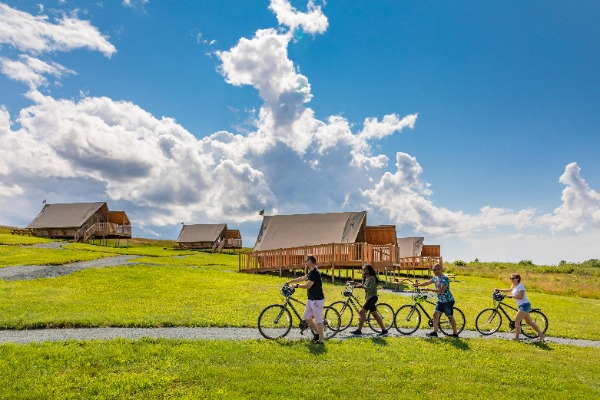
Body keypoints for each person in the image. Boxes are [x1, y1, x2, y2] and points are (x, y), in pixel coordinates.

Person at [285, 255, 325, 344]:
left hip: (317, 300)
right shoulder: (311, 272)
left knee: (318, 320)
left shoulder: (315, 272)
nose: (305, 262)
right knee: (307, 317)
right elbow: (302, 278)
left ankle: (321, 341)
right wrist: (291, 281)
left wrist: (297, 286)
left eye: (306, 261)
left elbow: (307, 285)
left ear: (310, 261)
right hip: (311, 299)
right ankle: (318, 334)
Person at [495, 273, 545, 342]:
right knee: (529, 322)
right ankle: (541, 335)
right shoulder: (514, 286)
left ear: (517, 279)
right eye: (510, 278)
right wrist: (499, 290)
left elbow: (521, 297)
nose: (511, 280)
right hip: (522, 305)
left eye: (513, 278)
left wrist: (512, 296)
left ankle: (517, 337)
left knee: (517, 320)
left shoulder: (520, 286)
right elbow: (508, 290)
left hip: (525, 305)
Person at [413, 263, 458, 338]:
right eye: (433, 270)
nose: (433, 271)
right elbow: (427, 282)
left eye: (434, 270)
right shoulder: (435, 278)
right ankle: (435, 332)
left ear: (440, 270)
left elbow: (441, 291)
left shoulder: (445, 278)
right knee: (435, 314)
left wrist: (429, 289)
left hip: (447, 301)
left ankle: (455, 333)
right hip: (440, 300)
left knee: (450, 317)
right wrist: (418, 285)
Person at [350, 264, 389, 336]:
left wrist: (362, 286)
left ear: (368, 271)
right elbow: (363, 285)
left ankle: (359, 330)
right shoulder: (366, 278)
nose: (363, 270)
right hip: (368, 298)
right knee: (375, 315)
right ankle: (384, 330)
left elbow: (370, 288)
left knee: (361, 312)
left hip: (372, 297)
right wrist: (354, 284)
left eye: (364, 269)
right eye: (363, 269)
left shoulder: (372, 278)